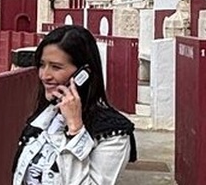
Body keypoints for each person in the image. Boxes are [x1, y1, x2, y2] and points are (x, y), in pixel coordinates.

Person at [12, 25, 137, 185]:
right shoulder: (44, 118)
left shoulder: (113, 133)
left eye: (56, 67)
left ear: (83, 74)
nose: (44, 75)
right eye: (42, 65)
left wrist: (76, 129)